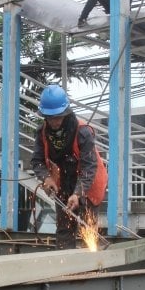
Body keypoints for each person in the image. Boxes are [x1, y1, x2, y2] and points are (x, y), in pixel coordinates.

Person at [30, 85, 108, 249]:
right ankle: (64, 265)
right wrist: (46, 178)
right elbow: (37, 161)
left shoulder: (83, 132)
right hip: (64, 182)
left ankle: (92, 267)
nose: (54, 122)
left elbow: (89, 167)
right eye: (50, 118)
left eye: (58, 117)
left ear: (65, 113)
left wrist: (78, 194)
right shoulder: (42, 133)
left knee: (88, 228)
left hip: (89, 182)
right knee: (64, 227)